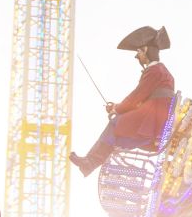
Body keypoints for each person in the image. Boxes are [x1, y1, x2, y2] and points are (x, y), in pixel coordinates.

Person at [70, 27, 173, 176]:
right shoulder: (162, 72)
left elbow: (136, 97)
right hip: (155, 118)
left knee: (116, 124)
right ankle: (89, 162)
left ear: (145, 50)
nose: (137, 57)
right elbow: (139, 100)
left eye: (138, 52)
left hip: (152, 122)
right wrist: (117, 107)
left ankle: (90, 162)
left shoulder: (155, 70)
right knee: (118, 127)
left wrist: (117, 109)